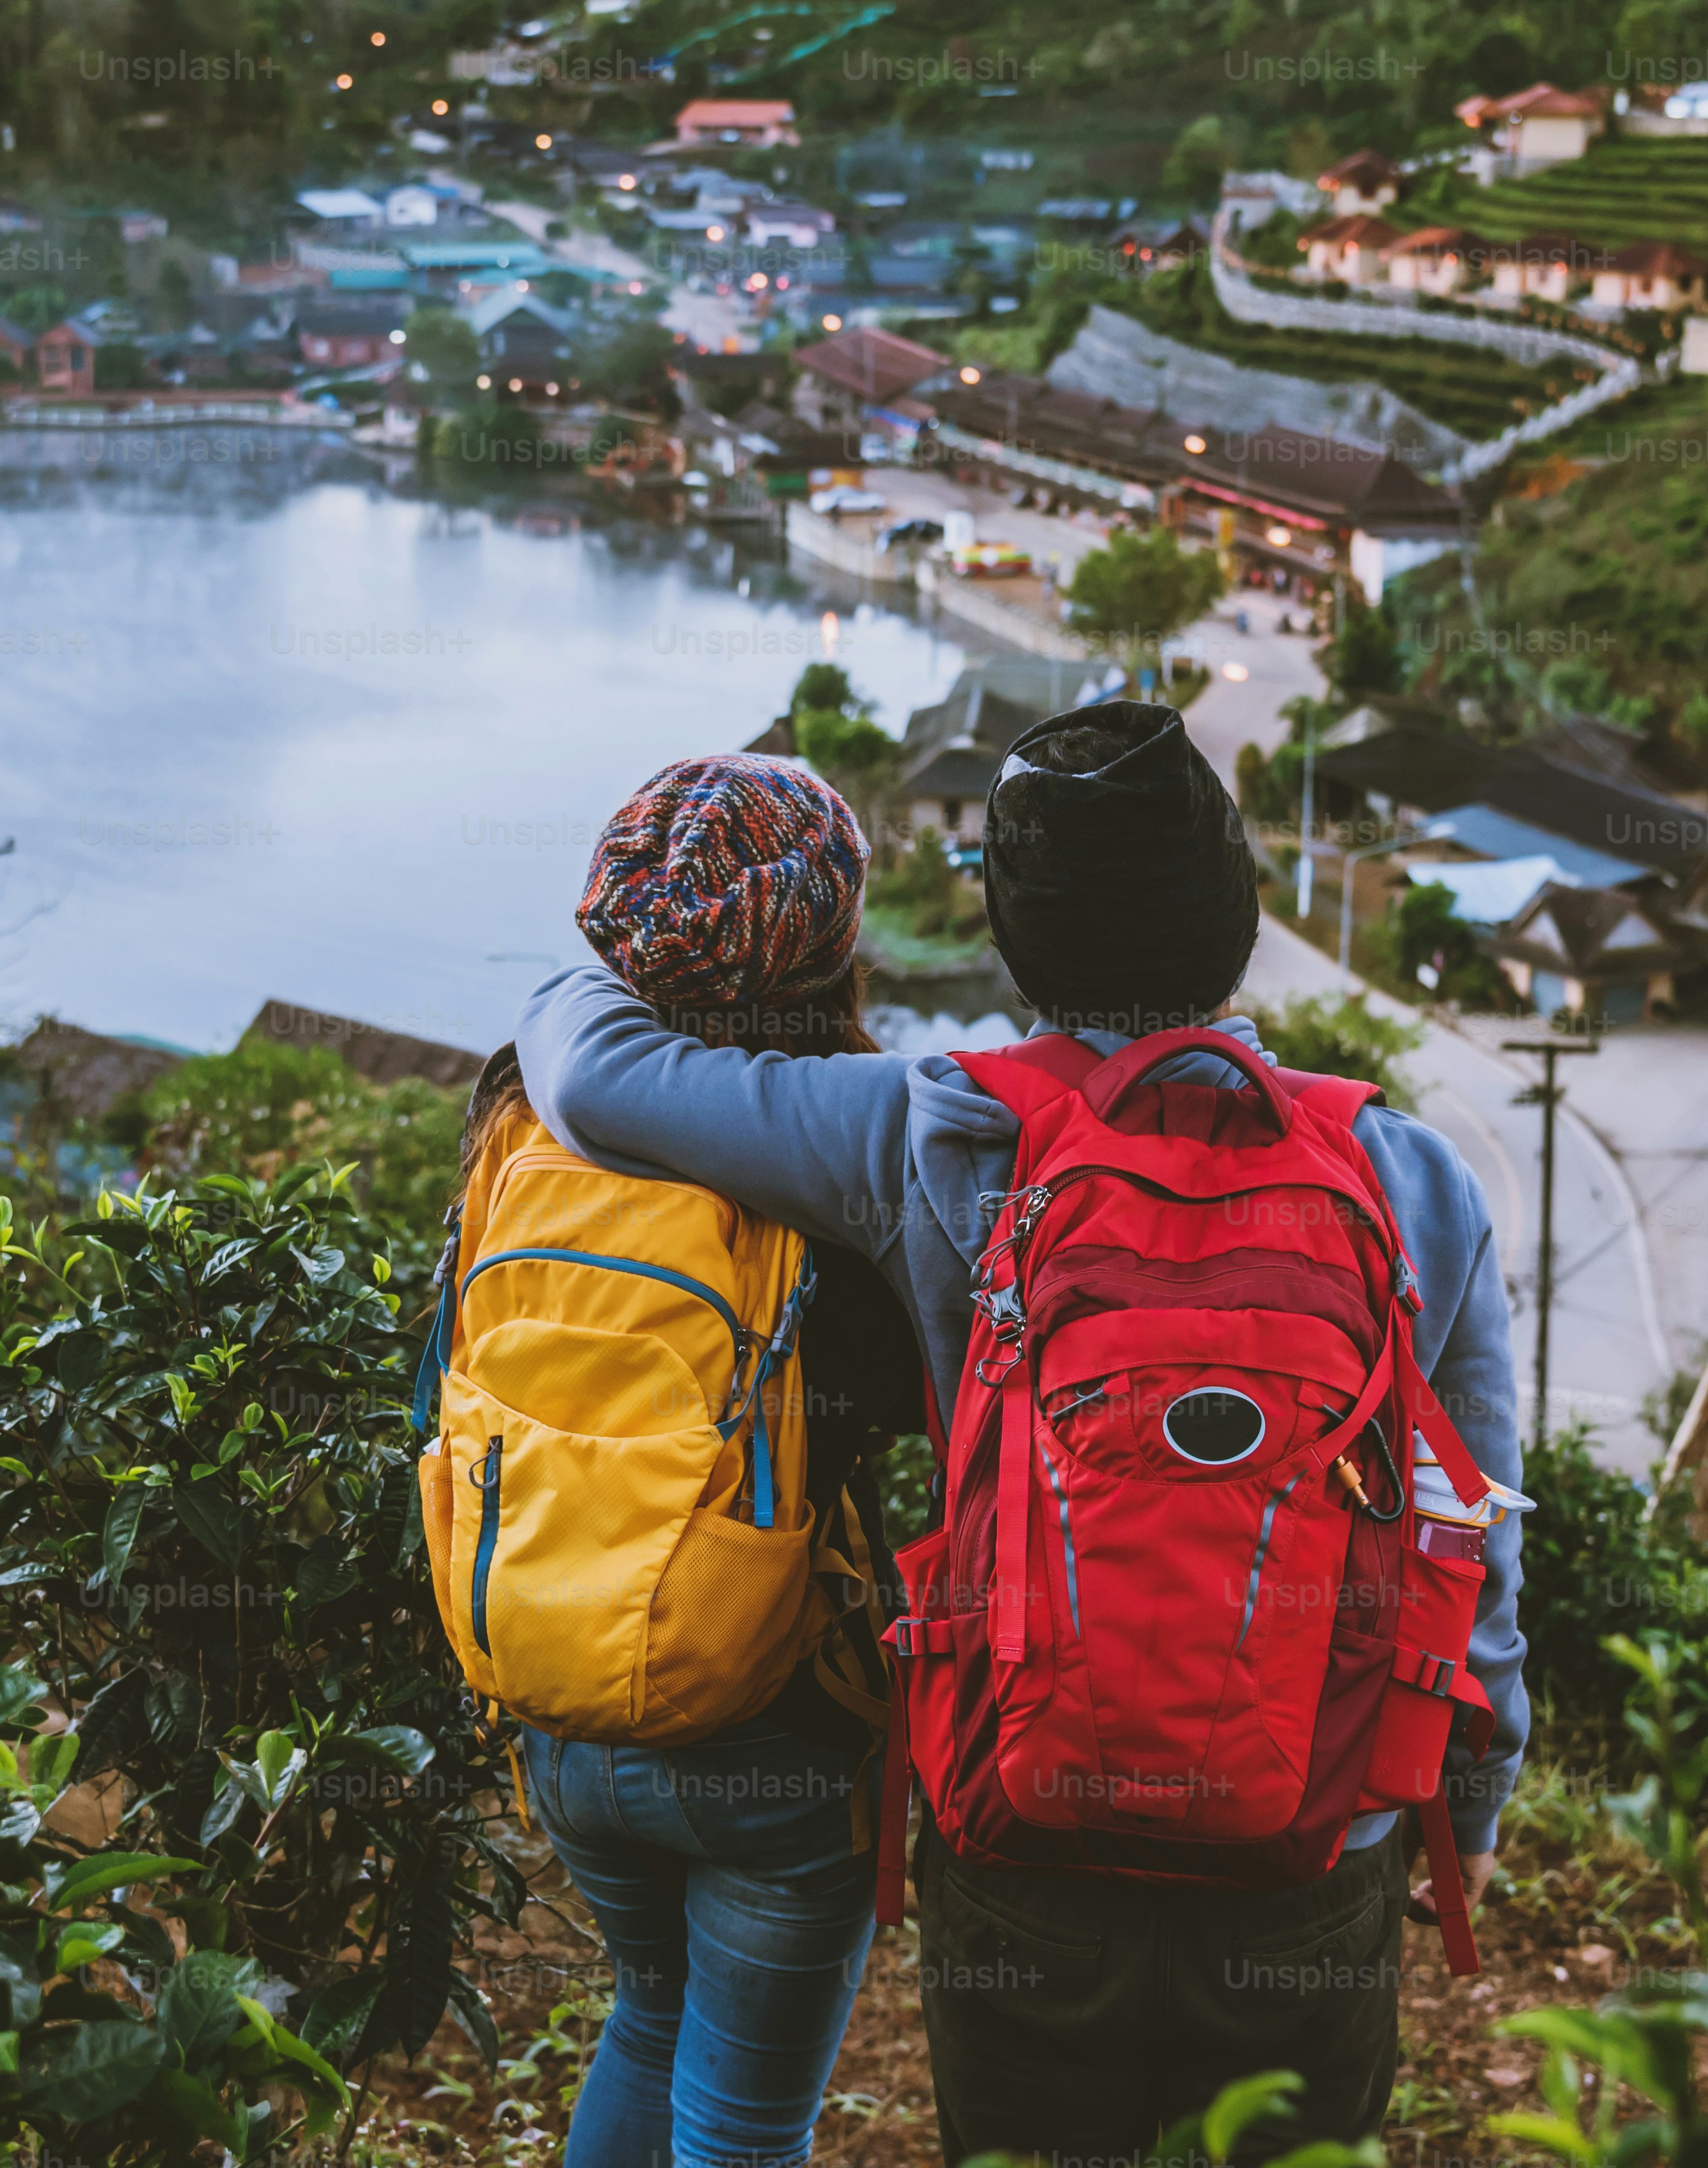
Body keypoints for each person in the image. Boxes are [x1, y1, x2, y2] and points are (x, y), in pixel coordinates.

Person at [509, 701, 1526, 2161]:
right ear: (1235, 920)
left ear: (1013, 940)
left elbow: (594, 1080)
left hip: (1023, 1838)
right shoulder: (1403, 1171)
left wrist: (609, 951)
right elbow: (1469, 1523)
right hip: (1310, 1842)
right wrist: (1469, 1801)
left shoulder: (935, 1133)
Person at [456, 753, 928, 2168]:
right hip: (768, 1710)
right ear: (827, 948)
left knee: (647, 2017)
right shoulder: (835, 1157)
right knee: (741, 2126)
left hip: (562, 1690)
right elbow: (915, 1396)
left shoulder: (516, 1118)